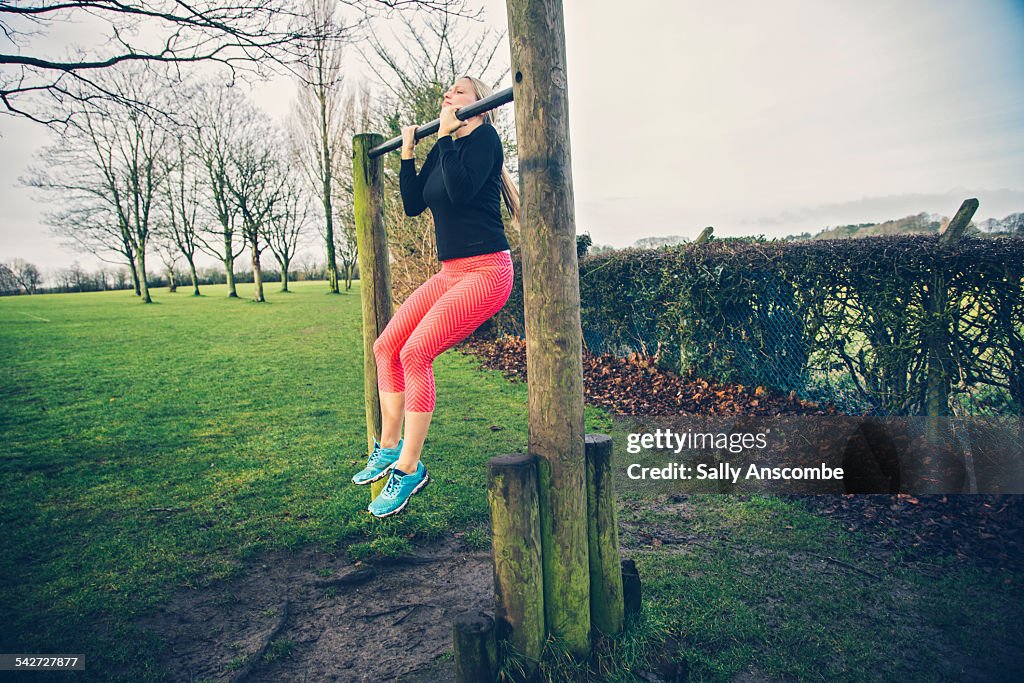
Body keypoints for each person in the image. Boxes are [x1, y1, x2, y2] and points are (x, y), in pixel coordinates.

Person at [352, 75, 520, 518]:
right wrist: (409, 153)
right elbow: (413, 202)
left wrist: (445, 138)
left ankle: (410, 469)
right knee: (386, 346)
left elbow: (463, 189)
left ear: (479, 106)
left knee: (415, 353)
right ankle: (389, 447)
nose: (449, 95)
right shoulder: (443, 146)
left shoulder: (485, 139)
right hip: (450, 272)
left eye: (459, 92)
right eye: (447, 91)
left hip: (487, 271)